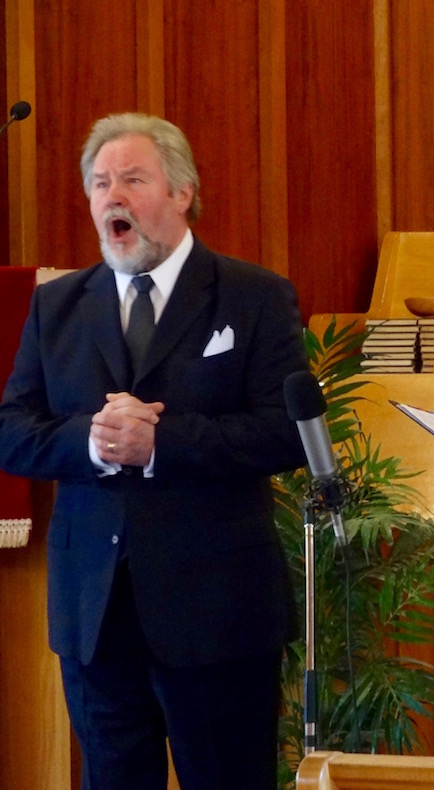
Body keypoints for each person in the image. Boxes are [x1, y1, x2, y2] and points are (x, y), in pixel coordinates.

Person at [0, 113, 308, 789]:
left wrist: (162, 444)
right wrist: (93, 441)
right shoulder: (58, 306)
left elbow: (286, 434)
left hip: (219, 615)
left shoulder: (254, 297)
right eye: (100, 183)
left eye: (132, 179)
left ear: (181, 192)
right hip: (95, 616)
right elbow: (12, 432)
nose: (112, 195)